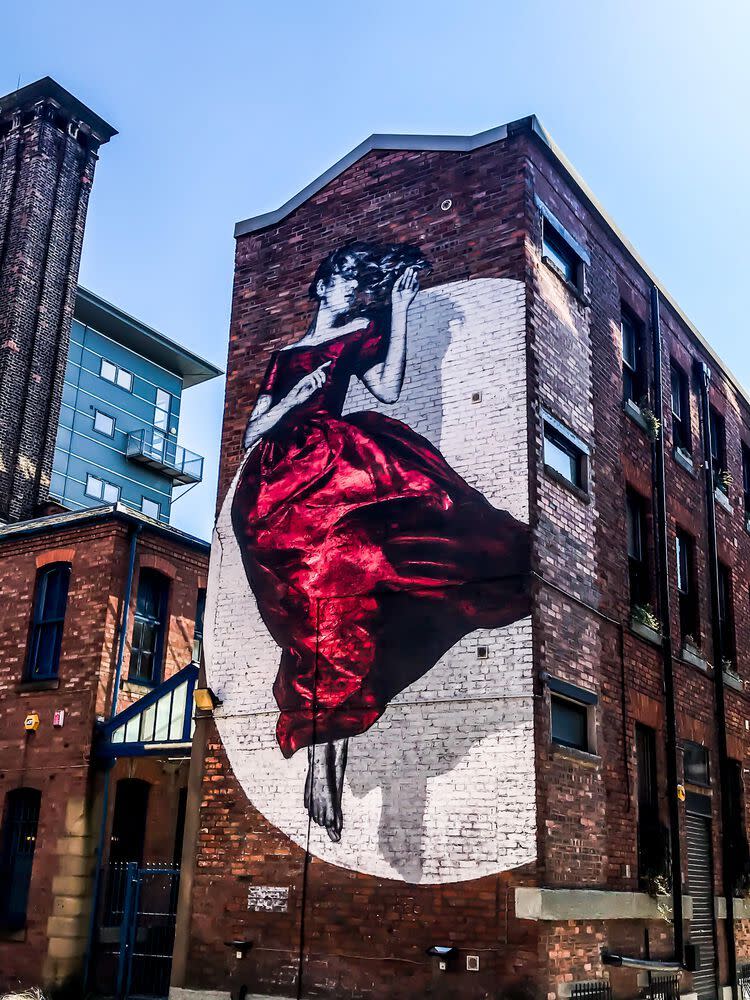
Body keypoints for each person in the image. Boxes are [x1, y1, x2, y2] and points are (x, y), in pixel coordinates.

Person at [232, 242, 530, 842]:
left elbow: (388, 390)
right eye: (346, 278)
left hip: (333, 472)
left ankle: (326, 767)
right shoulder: (283, 354)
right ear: (321, 286)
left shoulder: (360, 333)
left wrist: (396, 312)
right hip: (273, 491)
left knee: (342, 604)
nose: (354, 288)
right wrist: (294, 397)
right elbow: (250, 434)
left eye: (362, 282)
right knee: (313, 617)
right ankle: (326, 757)